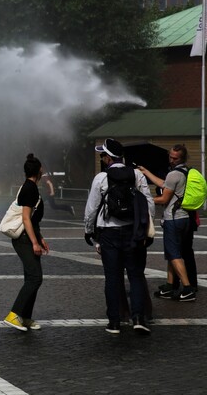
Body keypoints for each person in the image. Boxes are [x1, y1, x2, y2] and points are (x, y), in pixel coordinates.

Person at [84, 139, 155, 335]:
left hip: (109, 233)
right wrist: (146, 229)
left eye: (102, 156)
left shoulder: (100, 178)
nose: (102, 159)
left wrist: (89, 231)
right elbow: (148, 203)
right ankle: (139, 318)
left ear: (108, 158)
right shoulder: (137, 175)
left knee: (113, 278)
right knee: (136, 276)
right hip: (133, 232)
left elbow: (91, 209)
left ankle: (114, 322)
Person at [138, 144, 197, 301]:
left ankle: (187, 288)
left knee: (174, 254)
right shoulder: (185, 171)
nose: (171, 160)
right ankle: (170, 286)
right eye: (170, 156)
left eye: (175, 158)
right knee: (173, 253)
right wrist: (146, 172)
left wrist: (144, 199)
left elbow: (164, 198)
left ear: (181, 158)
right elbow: (164, 184)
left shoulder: (173, 174)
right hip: (184, 218)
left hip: (173, 219)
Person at [4, 154, 49, 331]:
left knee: (31, 277)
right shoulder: (30, 188)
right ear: (38, 171)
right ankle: (13, 314)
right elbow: (26, 219)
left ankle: (26, 317)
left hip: (28, 237)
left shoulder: (30, 187)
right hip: (23, 240)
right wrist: (34, 243)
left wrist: (40, 238)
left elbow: (33, 220)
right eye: (42, 169)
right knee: (35, 278)